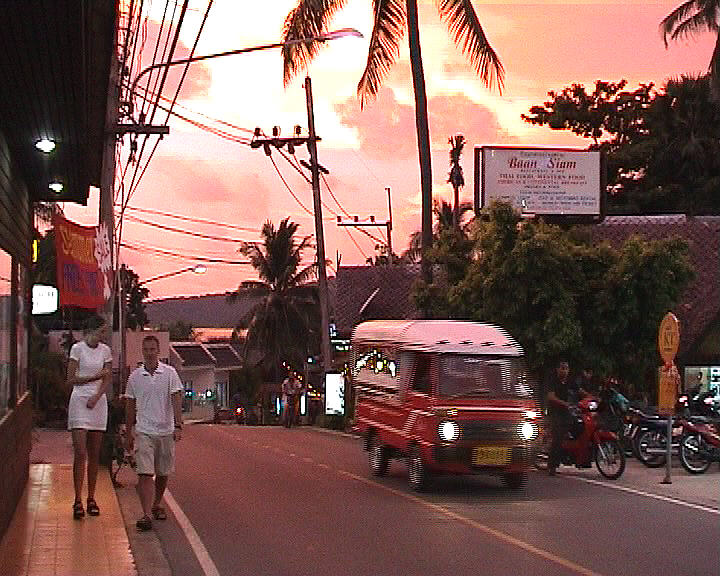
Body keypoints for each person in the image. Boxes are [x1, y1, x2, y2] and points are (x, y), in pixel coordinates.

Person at [125, 335, 184, 531]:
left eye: (153, 349)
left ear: (158, 351)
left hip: (165, 431)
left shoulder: (169, 374)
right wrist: (128, 432)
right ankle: (146, 514)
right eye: (146, 350)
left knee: (163, 472)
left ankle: (157, 503)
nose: (149, 353)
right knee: (144, 472)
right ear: (142, 351)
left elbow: (176, 398)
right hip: (144, 431)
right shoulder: (134, 377)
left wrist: (177, 425)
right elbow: (129, 404)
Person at [66, 316, 112, 519]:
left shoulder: (105, 351)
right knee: (81, 452)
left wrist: (97, 395)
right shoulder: (77, 349)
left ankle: (91, 497)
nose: (104, 336)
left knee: (95, 452)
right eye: (102, 331)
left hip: (97, 401)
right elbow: (71, 378)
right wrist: (94, 377)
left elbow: (108, 377)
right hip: (79, 400)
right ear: (93, 330)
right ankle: (77, 498)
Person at [546, 360, 580, 476]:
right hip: (554, 411)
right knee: (558, 437)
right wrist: (564, 403)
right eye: (562, 368)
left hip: (567, 412)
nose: (564, 371)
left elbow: (579, 391)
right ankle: (552, 465)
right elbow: (551, 396)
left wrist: (591, 397)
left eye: (566, 368)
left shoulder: (570, 381)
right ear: (558, 369)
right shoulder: (553, 380)